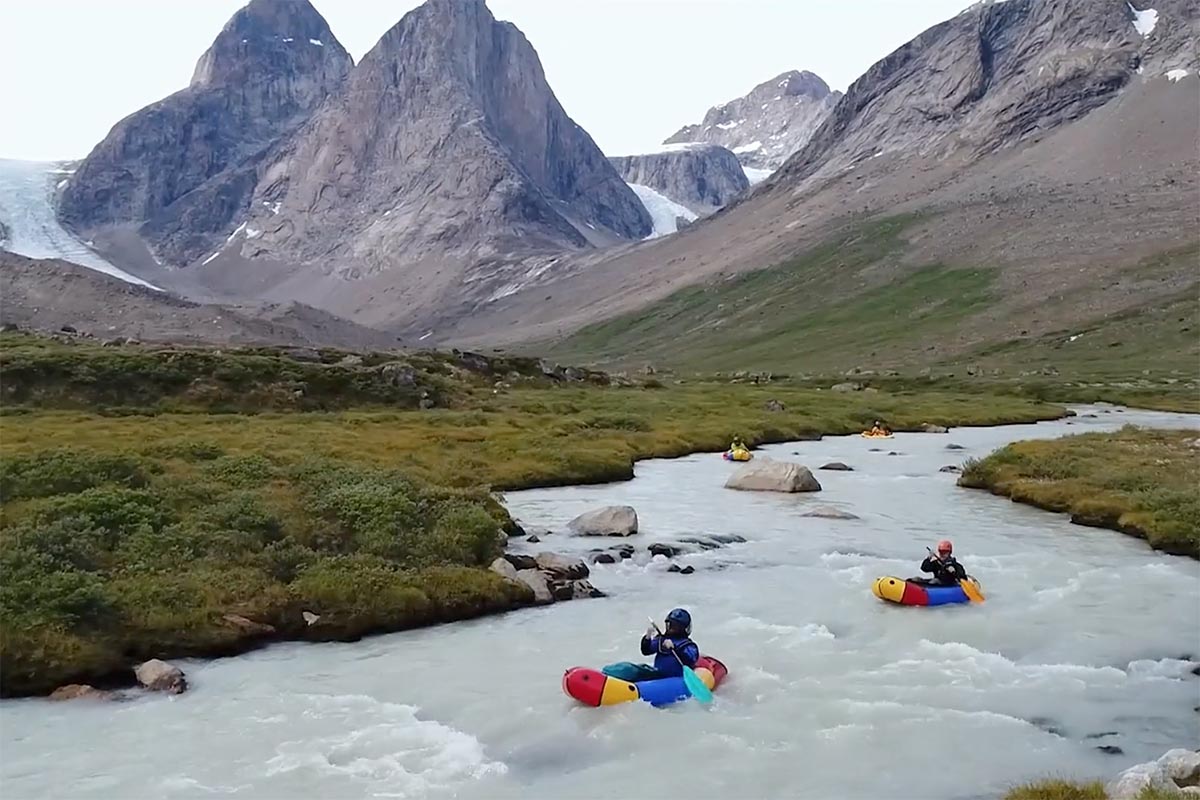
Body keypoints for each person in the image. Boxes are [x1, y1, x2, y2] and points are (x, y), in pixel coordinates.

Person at [639, 608, 700, 679]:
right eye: (670, 625)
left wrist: (674, 648)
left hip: (678, 678)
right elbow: (646, 651)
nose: (671, 628)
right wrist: (647, 638)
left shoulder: (687, 645)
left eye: (675, 626)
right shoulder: (661, 640)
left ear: (682, 628)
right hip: (660, 677)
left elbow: (691, 660)